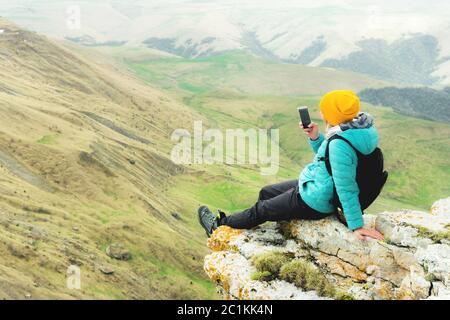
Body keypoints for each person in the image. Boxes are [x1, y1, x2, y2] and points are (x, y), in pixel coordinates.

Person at [198, 90, 384, 241]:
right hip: (317, 182)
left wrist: (356, 225)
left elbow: (346, 186)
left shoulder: (339, 142)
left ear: (331, 114)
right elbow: (333, 160)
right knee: (266, 192)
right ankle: (265, 223)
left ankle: (217, 227)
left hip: (315, 200)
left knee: (262, 209)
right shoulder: (358, 129)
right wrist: (315, 138)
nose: (321, 113)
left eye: (324, 110)